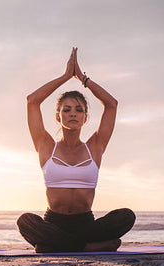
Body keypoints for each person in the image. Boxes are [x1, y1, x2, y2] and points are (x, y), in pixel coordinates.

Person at [17, 47, 135, 253]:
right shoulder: (46, 146)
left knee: (127, 216)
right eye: (67, 109)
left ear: (86, 118)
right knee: (25, 221)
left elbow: (111, 105)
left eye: (79, 110)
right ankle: (87, 247)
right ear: (58, 116)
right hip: (53, 223)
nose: (73, 114)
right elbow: (32, 101)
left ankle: (58, 246)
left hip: (86, 225)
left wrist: (81, 78)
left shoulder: (95, 147)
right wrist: (65, 76)